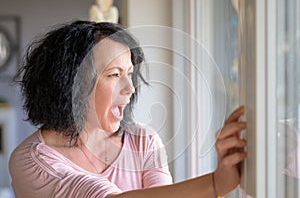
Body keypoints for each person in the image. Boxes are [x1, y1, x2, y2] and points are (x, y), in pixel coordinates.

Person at [9, 20, 247, 198]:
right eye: (114, 75)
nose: (130, 89)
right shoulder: (32, 161)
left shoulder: (142, 141)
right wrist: (217, 183)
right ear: (72, 84)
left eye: (130, 75)